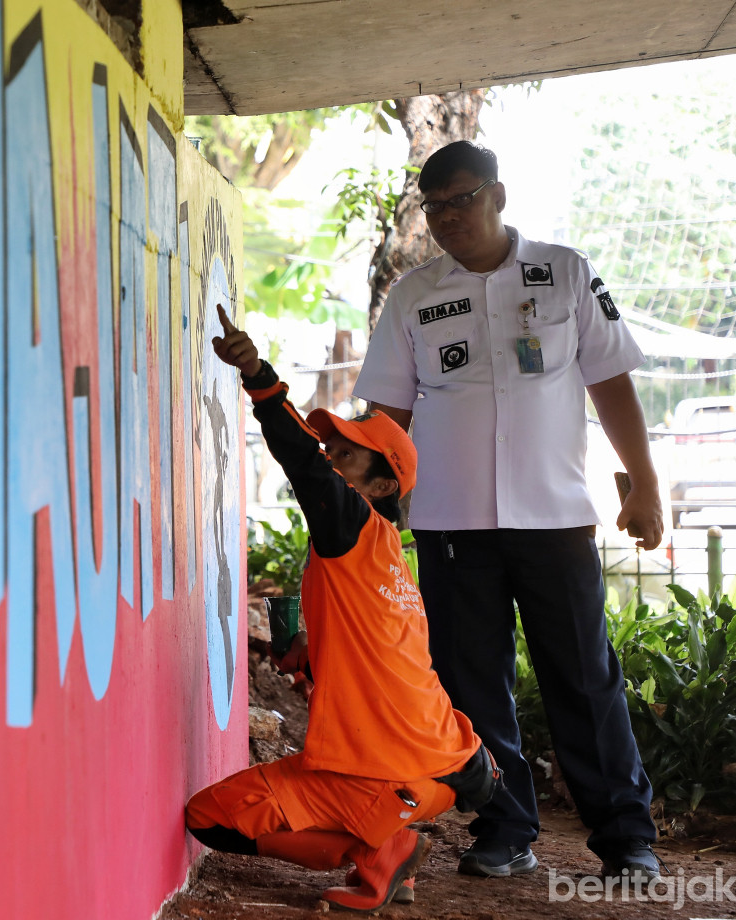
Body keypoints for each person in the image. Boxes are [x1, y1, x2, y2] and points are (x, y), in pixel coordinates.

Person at [353, 140, 664, 881]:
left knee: (584, 678)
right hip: (451, 521)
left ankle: (625, 837)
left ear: (498, 195)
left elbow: (611, 382)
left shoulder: (565, 272)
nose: (447, 217)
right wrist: (362, 497)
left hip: (555, 517)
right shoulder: (413, 295)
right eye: (433, 207)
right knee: (470, 685)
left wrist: (644, 483)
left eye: (461, 199)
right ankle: (503, 828)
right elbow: (388, 414)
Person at [185, 305, 499, 912]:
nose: (330, 459)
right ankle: (390, 847)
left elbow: (302, 464)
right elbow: (375, 653)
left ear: (382, 487)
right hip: (445, 761)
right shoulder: (389, 562)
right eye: (332, 448)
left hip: (386, 769)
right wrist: (308, 655)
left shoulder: (356, 528)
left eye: (346, 455)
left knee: (209, 817)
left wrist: (258, 378)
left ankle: (381, 848)